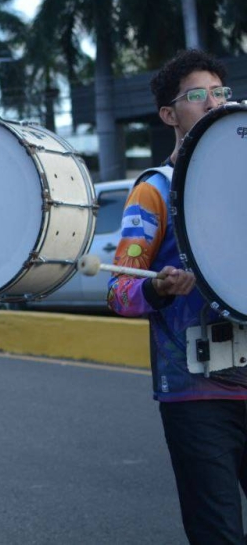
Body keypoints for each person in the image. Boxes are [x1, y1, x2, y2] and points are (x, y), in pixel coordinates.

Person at [107, 49, 246, 544]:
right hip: (197, 392)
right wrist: (158, 287)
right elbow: (120, 291)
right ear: (169, 114)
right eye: (196, 95)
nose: (213, 103)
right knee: (219, 531)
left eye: (219, 93)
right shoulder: (154, 191)